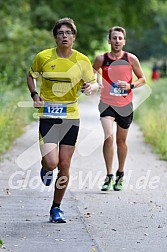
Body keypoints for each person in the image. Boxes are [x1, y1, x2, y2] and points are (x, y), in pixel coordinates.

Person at [27, 17, 98, 223]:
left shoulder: (82, 60)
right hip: (48, 115)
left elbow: (94, 84)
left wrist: (90, 88)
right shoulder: (43, 57)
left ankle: (56, 208)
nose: (64, 36)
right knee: (51, 162)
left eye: (68, 33)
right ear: (55, 37)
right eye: (60, 33)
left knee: (64, 165)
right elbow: (31, 75)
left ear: (74, 37)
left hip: (71, 117)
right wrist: (34, 94)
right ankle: (46, 167)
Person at [93, 26, 146, 191]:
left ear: (124, 41)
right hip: (106, 104)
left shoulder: (131, 59)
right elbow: (92, 72)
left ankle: (120, 174)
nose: (117, 41)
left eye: (120, 38)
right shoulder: (101, 59)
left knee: (120, 141)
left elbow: (143, 79)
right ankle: (108, 176)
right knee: (108, 137)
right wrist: (95, 82)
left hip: (125, 105)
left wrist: (130, 85)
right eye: (114, 38)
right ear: (109, 40)